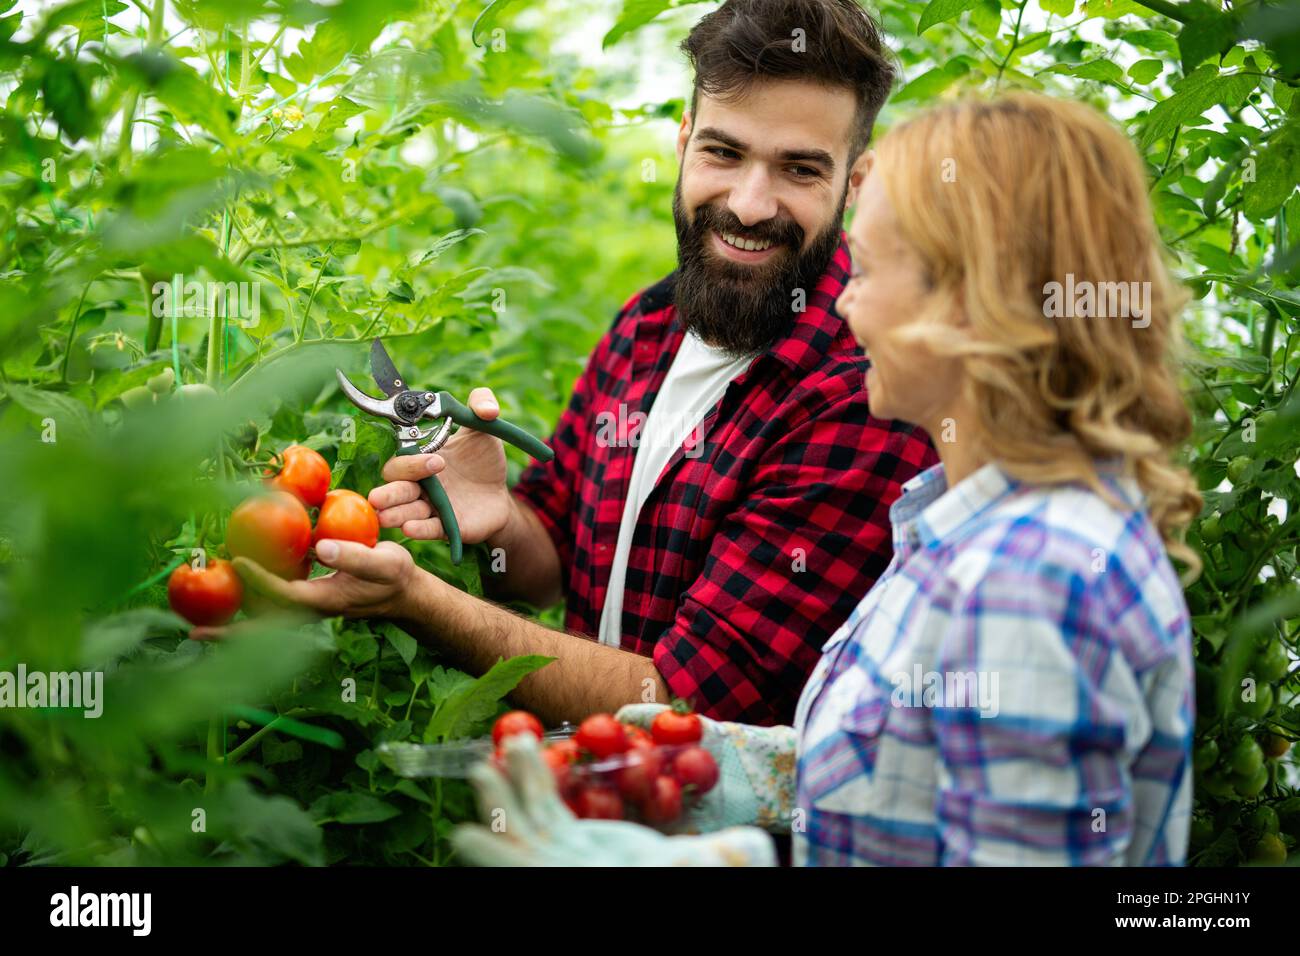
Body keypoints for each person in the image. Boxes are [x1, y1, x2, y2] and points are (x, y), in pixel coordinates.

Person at [451, 91, 1203, 867]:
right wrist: (748, 772)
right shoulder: (965, 527)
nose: (844, 303)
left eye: (871, 269)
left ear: (972, 307)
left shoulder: (1025, 584)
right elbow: (916, 767)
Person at [236, 0, 937, 727]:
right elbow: (557, 562)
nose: (751, 205)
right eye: (723, 154)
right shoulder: (650, 323)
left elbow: (682, 703)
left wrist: (419, 601)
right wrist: (503, 518)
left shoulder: (864, 392)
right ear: (683, 144)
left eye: (799, 169)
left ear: (854, 185)